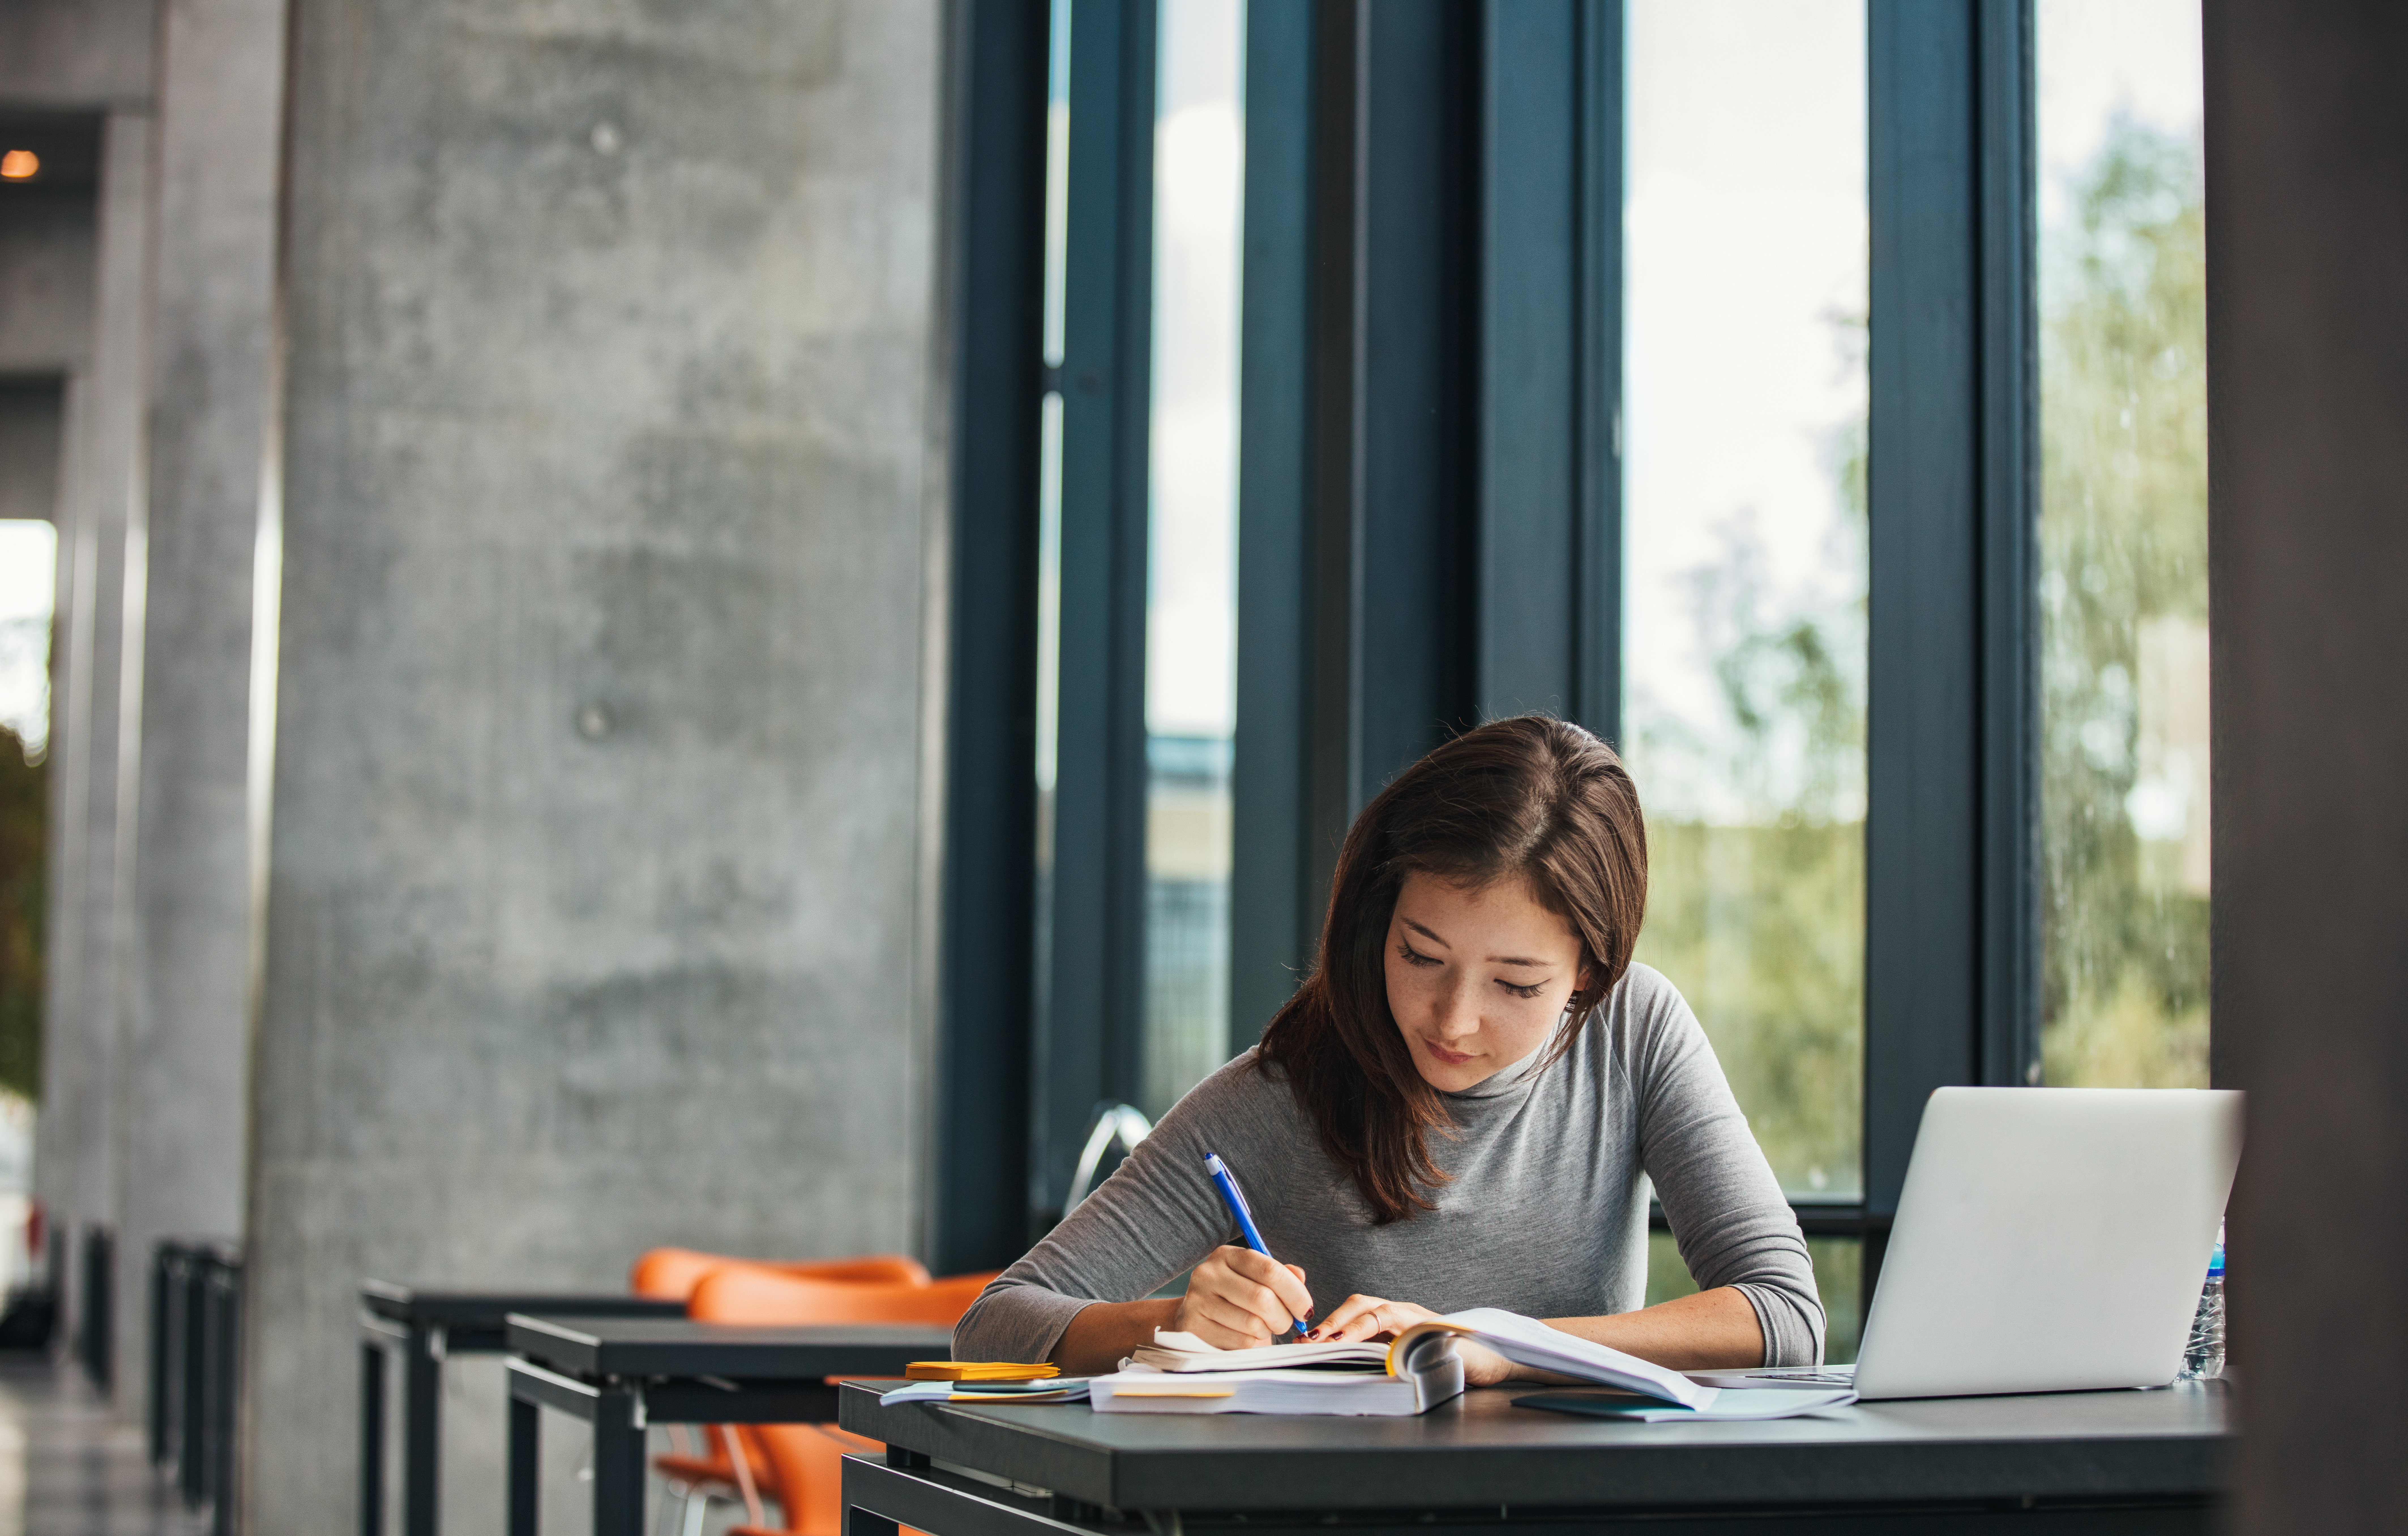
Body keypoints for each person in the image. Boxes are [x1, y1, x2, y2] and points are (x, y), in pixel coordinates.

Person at [953, 715, 1823, 1383]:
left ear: (1589, 975)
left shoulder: (1633, 1031)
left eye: (1515, 985)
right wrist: (1173, 1319)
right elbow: (993, 1324)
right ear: (1377, 921)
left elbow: (1782, 1314)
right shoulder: (1281, 1093)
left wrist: (1490, 1341)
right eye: (1419, 956)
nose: (1452, 1020)